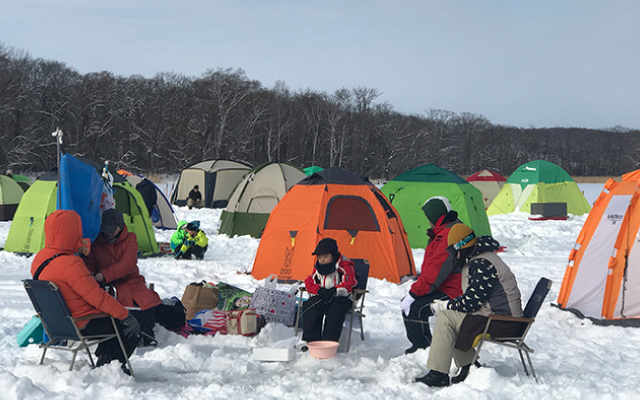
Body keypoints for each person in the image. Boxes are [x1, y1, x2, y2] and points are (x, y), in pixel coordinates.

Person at [30, 209, 140, 374]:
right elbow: (98, 298)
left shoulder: (40, 259)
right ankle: (110, 366)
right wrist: (126, 315)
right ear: (72, 232)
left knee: (114, 322)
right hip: (82, 322)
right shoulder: (71, 264)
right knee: (128, 326)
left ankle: (106, 358)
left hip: (57, 323)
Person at [415, 224, 523, 387]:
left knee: (447, 317)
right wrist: (450, 304)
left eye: (454, 252)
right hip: (500, 316)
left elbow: (472, 302)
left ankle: (439, 373)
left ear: (462, 247)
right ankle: (468, 366)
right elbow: (473, 298)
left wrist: (445, 305)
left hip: (504, 321)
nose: (454, 256)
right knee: (452, 317)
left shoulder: (481, 263)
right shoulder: (480, 258)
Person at [83, 209, 162, 347]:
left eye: (112, 229)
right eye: (106, 229)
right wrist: (89, 273)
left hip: (130, 280)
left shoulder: (130, 239)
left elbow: (127, 264)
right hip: (105, 283)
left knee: (145, 301)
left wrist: (104, 275)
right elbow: (90, 261)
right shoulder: (97, 242)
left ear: (120, 227)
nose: (108, 232)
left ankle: (146, 334)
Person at [401, 196, 463, 354]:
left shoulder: (448, 235)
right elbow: (435, 268)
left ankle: (425, 350)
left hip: (455, 290)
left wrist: (415, 293)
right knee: (410, 305)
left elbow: (437, 269)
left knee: (416, 308)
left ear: (435, 217)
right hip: (446, 284)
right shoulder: (448, 230)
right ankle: (422, 346)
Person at [302, 238, 357, 345]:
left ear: (333, 255)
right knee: (311, 306)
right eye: (319, 257)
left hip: (341, 297)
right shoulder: (318, 268)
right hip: (323, 296)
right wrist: (318, 290)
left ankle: (329, 343)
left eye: (325, 257)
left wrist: (335, 291)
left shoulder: (344, 266)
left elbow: (350, 282)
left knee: (335, 311)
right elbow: (310, 282)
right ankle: (312, 341)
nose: (322, 260)